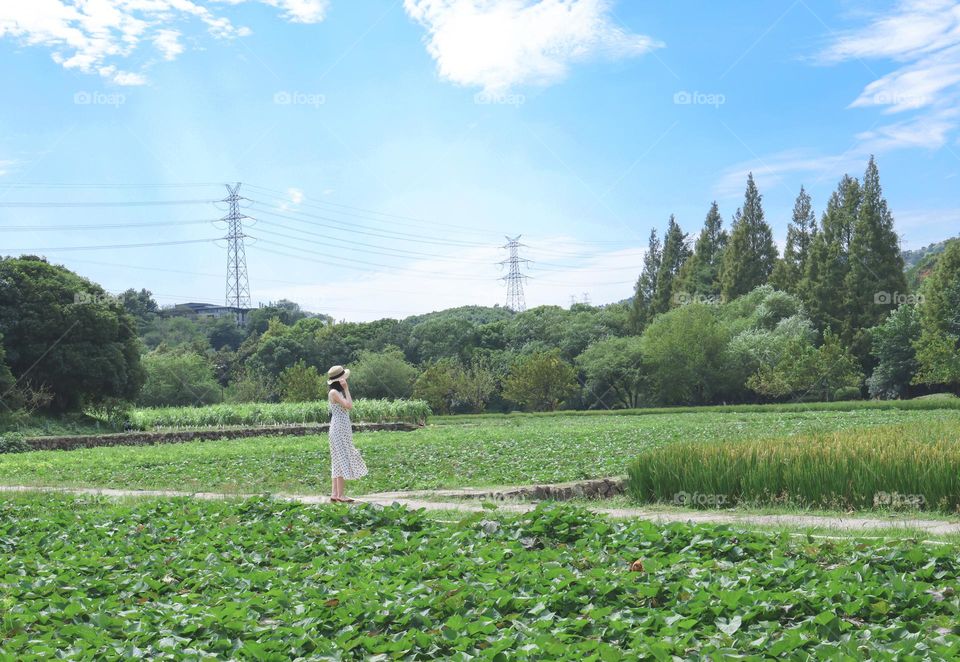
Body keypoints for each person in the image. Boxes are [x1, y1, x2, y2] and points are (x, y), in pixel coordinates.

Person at [326, 365, 368, 502]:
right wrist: (347, 389)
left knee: (338, 460)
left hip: (340, 427)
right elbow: (349, 405)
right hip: (339, 427)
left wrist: (345, 390)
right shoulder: (334, 393)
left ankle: (335, 494)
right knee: (342, 458)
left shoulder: (336, 392)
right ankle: (340, 495)